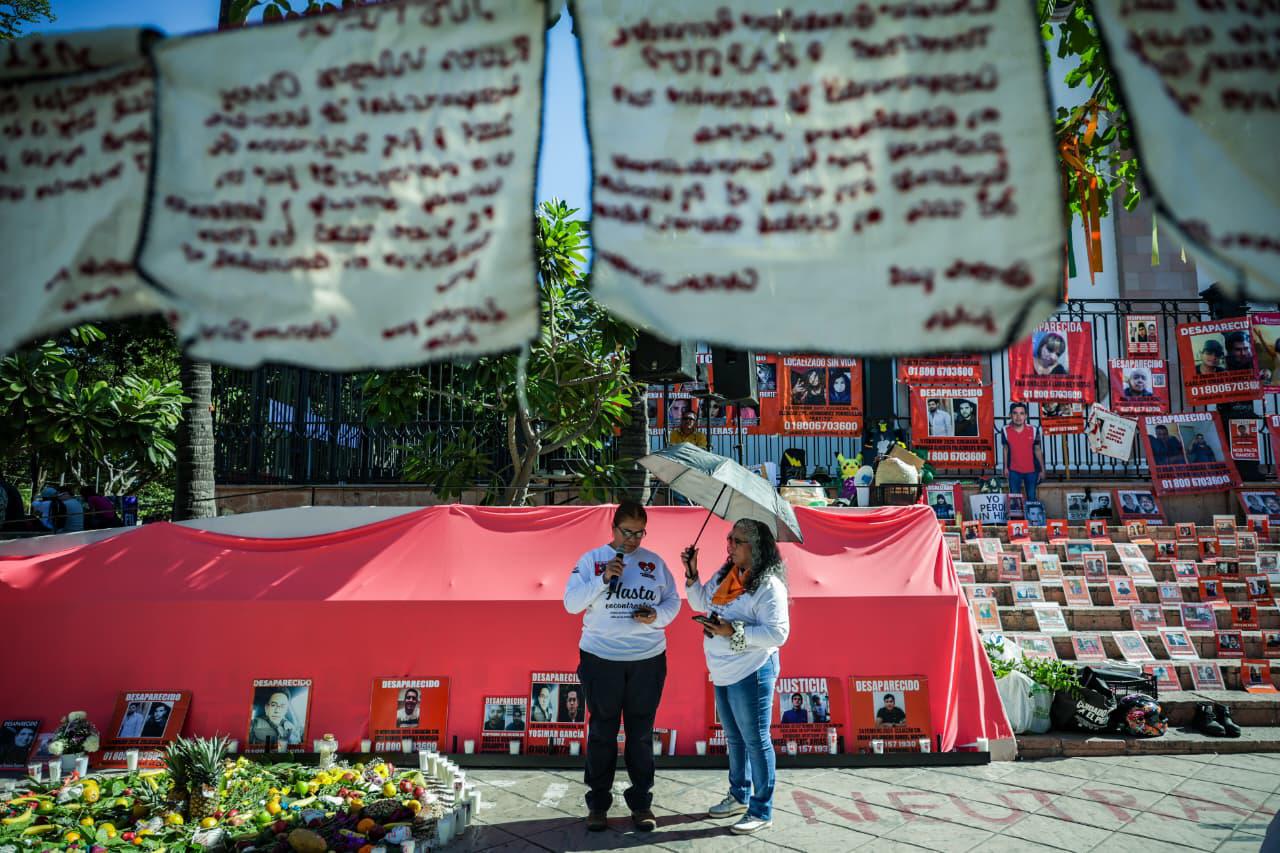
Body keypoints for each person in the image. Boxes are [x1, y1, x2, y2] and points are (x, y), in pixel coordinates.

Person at [564, 501, 681, 833]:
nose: (632, 540)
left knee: (641, 734)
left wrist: (656, 616)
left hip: (647, 660)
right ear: (613, 529)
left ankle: (641, 803)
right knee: (602, 732)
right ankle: (598, 805)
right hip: (601, 660)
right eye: (627, 532)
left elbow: (673, 601)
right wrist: (603, 579)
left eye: (639, 533)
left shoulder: (654, 563)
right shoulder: (591, 560)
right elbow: (571, 604)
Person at [683, 519, 790, 835]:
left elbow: (778, 633)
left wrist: (734, 630)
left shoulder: (769, 585)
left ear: (756, 547)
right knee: (735, 738)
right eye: (729, 538)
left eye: (738, 540)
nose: (729, 544)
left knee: (756, 740)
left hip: (752, 671)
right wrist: (692, 572)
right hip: (723, 670)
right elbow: (701, 602)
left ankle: (761, 810)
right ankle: (739, 796)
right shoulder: (726, 574)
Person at [1001, 403, 1044, 501]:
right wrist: (1005, 468)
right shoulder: (1005, 430)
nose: (1018, 417)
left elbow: (1037, 450)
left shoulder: (1034, 430)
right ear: (1010, 415)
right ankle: (1017, 517)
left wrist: (1042, 470)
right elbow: (1005, 449)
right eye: (1015, 413)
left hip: (1032, 471)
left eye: (1021, 413)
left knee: (1032, 497)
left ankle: (1030, 517)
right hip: (1014, 470)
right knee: (1015, 500)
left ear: (1026, 416)